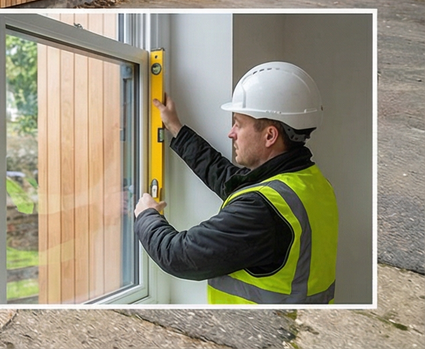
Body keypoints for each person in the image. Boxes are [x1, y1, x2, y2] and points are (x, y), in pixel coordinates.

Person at [133, 61, 338, 304]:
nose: (231, 133)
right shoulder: (309, 182)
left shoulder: (262, 210)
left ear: (270, 135)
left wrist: (146, 216)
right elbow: (228, 178)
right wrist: (176, 129)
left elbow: (179, 255)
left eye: (238, 124)